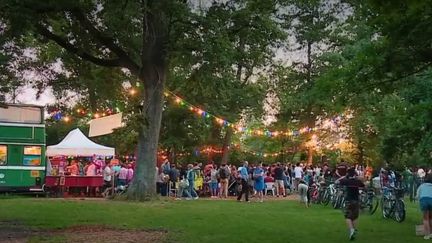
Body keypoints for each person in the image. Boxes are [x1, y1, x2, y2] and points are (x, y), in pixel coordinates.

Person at [336, 168, 365, 241]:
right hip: (356, 201)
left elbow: (336, 182)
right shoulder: (357, 181)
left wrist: (343, 177)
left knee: (347, 216)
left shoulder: (346, 181)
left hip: (348, 201)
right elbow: (364, 186)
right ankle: (354, 230)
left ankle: (351, 230)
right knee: (354, 217)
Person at [417, 174, 432, 239]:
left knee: (425, 219)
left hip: (424, 201)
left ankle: (427, 234)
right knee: (431, 217)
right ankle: (431, 233)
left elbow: (418, 195)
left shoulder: (421, 186)